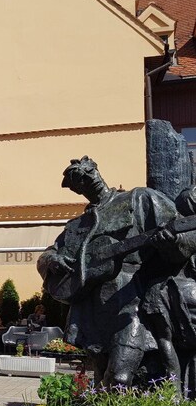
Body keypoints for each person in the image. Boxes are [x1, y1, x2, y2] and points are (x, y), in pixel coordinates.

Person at [37, 156, 187, 386]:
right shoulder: (77, 224)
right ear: (77, 190)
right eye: (80, 180)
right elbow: (48, 253)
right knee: (100, 376)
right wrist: (52, 260)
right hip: (91, 309)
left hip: (130, 301)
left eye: (89, 172)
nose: (88, 179)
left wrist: (172, 243)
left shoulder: (138, 198)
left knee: (118, 377)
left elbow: (183, 235)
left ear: (97, 170)